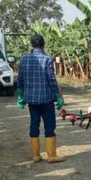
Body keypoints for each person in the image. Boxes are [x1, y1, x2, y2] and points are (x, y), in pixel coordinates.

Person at [16, 34, 65, 163]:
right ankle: (52, 156)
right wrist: (58, 96)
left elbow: (20, 79)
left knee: (34, 124)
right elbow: (51, 80)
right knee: (49, 126)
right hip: (46, 99)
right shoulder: (47, 59)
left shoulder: (24, 59)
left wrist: (21, 95)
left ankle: (36, 155)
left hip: (31, 99)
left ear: (31, 45)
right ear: (43, 44)